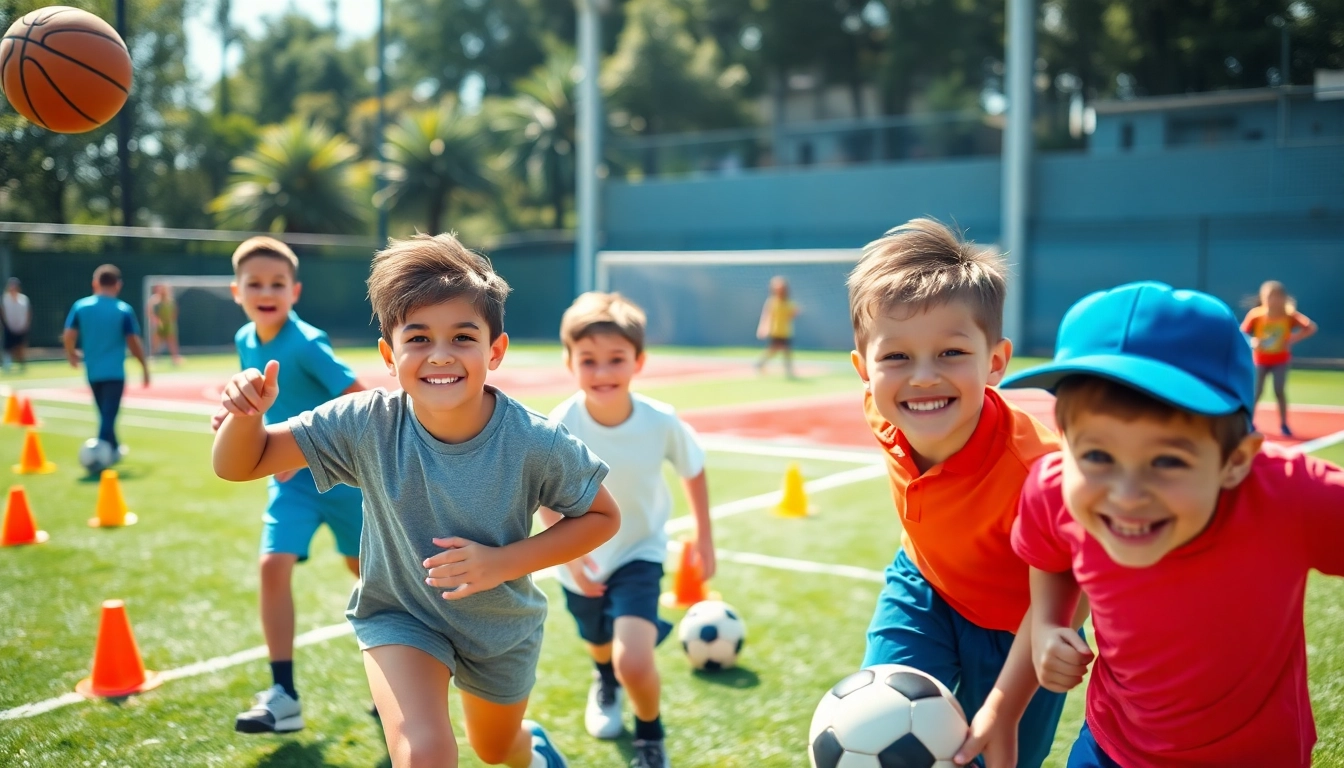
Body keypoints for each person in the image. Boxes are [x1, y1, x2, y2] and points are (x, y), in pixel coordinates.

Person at [212, 233, 620, 768]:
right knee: (423, 754)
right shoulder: (365, 422)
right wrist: (246, 417)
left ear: (494, 351)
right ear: (389, 353)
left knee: (498, 750)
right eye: (419, 338)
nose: (441, 356)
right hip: (400, 616)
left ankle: (533, 747)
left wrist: (501, 563)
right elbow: (241, 463)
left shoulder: (534, 441)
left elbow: (602, 516)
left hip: (498, 627)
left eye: (463, 337)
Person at [998, 281, 1344, 767]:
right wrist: (1049, 625)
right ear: (1064, 440)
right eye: (1097, 454)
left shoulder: (1289, 497)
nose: (1126, 495)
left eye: (1167, 461)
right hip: (1111, 747)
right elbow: (1053, 558)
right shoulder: (1055, 487)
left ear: (1236, 461)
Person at [846, 219, 1076, 768]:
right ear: (864, 370)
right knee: (875, 721)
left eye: (950, 352)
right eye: (896, 357)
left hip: (1023, 625)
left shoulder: (1038, 474)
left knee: (993, 753)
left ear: (995, 361)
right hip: (923, 585)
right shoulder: (882, 409)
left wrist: (1006, 699)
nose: (922, 377)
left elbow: (1071, 586)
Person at [540, 292, 714, 768]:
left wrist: (703, 538)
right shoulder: (560, 425)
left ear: (638, 361)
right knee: (598, 641)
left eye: (615, 360)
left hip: (641, 551)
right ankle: (604, 680)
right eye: (588, 361)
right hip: (583, 556)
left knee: (633, 658)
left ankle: (650, 736)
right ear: (570, 362)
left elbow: (693, 468)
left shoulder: (661, 420)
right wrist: (572, 561)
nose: (602, 373)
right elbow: (544, 499)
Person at [217, 237, 368, 734]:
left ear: (295, 290)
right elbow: (260, 408)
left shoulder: (306, 343)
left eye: (277, 283)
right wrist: (235, 421)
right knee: (271, 565)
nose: (266, 291)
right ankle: (283, 694)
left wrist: (304, 445)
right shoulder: (244, 339)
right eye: (255, 283)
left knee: (371, 582)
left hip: (345, 482)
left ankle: (397, 677)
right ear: (235, 291)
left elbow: (360, 402)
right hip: (290, 484)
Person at [63, 264, 149, 454]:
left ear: (95, 283)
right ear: (118, 285)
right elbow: (133, 342)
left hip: (93, 371)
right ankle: (97, 456)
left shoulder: (81, 306)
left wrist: (71, 353)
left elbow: (69, 335)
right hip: (114, 373)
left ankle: (115, 448)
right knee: (108, 416)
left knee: (105, 414)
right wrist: (144, 366)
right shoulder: (123, 309)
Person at [1240, 280, 1316, 437]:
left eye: (1276, 296)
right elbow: (1242, 334)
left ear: (1283, 298)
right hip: (1260, 360)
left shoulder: (1289, 315)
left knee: (1279, 390)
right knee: (1256, 392)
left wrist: (1293, 339)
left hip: (1280, 360)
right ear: (1263, 297)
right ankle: (1249, 423)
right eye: (1269, 296)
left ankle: (1284, 424)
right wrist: (1253, 342)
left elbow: (1310, 327)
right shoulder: (1256, 315)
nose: (1273, 300)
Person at [755, 275, 799, 377]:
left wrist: (793, 314)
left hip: (786, 330)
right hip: (775, 330)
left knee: (786, 350)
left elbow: (793, 313)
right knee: (774, 349)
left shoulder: (788, 302)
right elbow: (766, 315)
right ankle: (761, 363)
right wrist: (763, 328)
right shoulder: (772, 301)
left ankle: (788, 369)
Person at [147, 283, 183, 366]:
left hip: (169, 324)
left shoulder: (170, 301)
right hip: (158, 324)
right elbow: (150, 311)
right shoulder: (154, 300)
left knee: (172, 341)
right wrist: (155, 321)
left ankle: (175, 358)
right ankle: (153, 358)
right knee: (156, 342)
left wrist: (170, 320)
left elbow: (175, 312)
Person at [2, 277, 31, 373]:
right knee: (8, 347)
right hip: (9, 326)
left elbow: (28, 312)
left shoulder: (24, 299)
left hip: (21, 326)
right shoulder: (4, 299)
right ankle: (7, 365)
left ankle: (22, 364)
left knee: (21, 347)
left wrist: (26, 324)